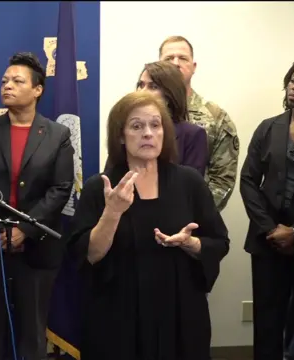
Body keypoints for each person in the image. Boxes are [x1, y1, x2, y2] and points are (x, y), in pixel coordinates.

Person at [67, 91, 229, 360]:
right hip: (118, 317)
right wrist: (113, 212)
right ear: (120, 135)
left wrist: (191, 243)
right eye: (136, 126)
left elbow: (219, 242)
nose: (148, 133)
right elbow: (89, 255)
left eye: (155, 125)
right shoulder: (101, 186)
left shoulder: (188, 182)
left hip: (179, 312)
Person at [0, 52, 74, 360]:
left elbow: (60, 189)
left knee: (32, 334)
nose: (8, 86)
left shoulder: (57, 135)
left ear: (38, 90)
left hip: (37, 250)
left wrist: (25, 230)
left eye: (17, 81)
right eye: (4, 81)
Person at [239, 60, 294, 360]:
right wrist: (271, 229)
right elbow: (248, 181)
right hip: (268, 242)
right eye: (293, 79)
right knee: (267, 322)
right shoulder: (268, 127)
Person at [159, 35, 239, 211]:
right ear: (159, 65)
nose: (176, 63)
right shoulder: (142, 112)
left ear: (193, 67)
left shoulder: (216, 117)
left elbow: (223, 179)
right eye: (169, 58)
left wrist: (196, 214)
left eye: (183, 58)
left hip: (192, 221)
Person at [136, 61, 208, 175]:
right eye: (141, 85)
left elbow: (192, 187)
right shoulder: (127, 128)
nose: (143, 92)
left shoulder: (192, 134)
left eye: (153, 86)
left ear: (170, 93)